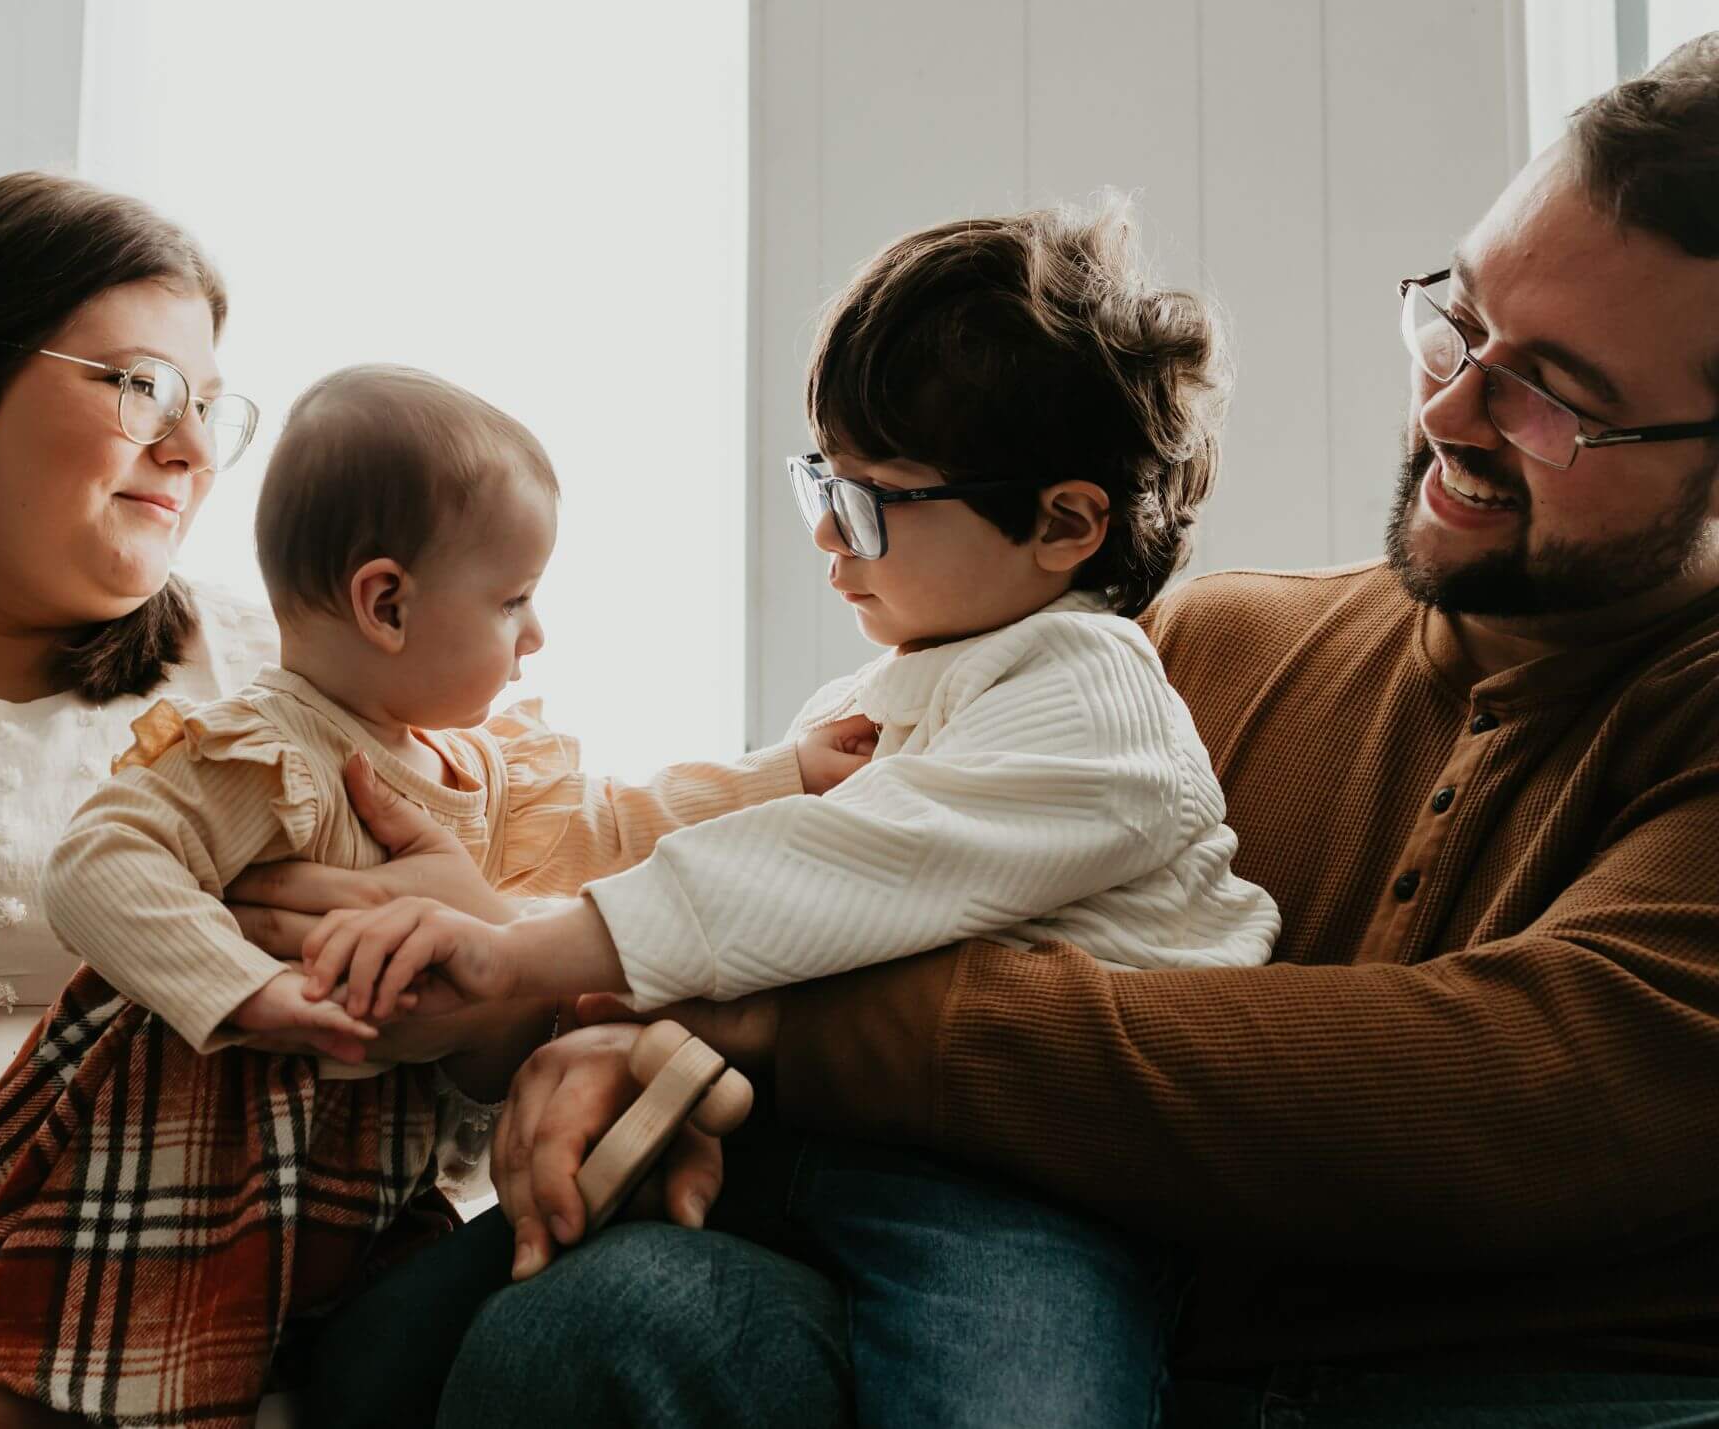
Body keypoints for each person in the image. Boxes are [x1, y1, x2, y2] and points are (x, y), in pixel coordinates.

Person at [325, 35, 1719, 1429]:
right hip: (1131, 1316)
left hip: (1514, 1385)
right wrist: (638, 1032)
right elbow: (845, 858)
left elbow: (1498, 1092)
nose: (1448, 405)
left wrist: (747, 1009)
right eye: (1453, 321)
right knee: (592, 1315)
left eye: (1558, 398)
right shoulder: (1204, 645)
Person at [305, 200, 1279, 1429]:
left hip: (1028, 1187)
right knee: (378, 1351)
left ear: (1062, 524)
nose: (826, 531)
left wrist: (506, 944)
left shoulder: (1096, 698)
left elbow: (807, 873)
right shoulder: (875, 691)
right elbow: (720, 841)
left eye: (873, 502)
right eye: (820, 479)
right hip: (807, 1130)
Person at [0, 365, 869, 1429]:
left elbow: (617, 821)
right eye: (513, 600)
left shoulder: (475, 770)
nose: (535, 636)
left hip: (343, 1186)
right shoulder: (262, 753)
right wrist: (246, 991)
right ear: (384, 603)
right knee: (6, 1395)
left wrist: (782, 774)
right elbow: (98, 867)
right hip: (177, 1155)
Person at [0, 175, 527, 1429]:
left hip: (230, 1359)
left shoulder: (303, 680)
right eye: (142, 385)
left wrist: (475, 949)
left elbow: (471, 1070)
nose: (195, 449)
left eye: (211, 407)